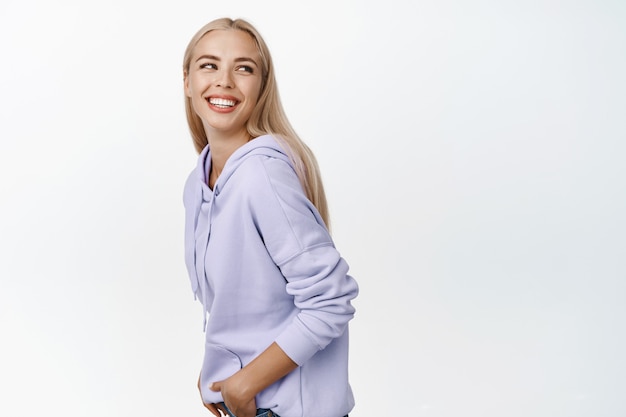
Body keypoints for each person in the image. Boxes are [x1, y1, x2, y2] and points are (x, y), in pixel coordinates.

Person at [181, 17, 359, 417]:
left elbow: (331, 299)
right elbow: (242, 302)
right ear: (187, 81)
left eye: (244, 68)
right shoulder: (199, 182)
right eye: (209, 65)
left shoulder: (262, 174)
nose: (224, 80)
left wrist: (246, 382)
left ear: (261, 86)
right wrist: (219, 369)